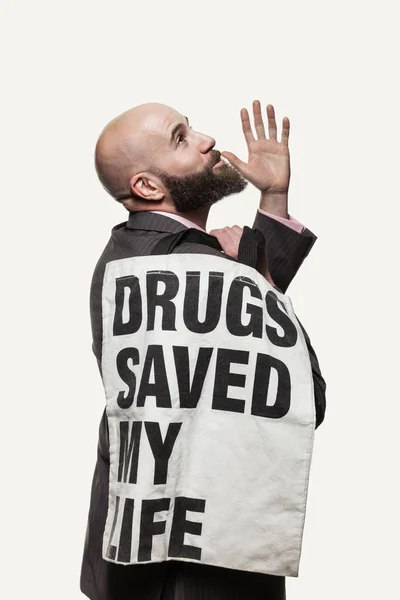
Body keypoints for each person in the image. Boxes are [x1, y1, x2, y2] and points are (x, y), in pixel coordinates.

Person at [80, 100, 326, 600]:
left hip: (136, 550)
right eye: (180, 138)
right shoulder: (196, 267)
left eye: (190, 127)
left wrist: (272, 200)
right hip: (202, 566)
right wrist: (254, 274)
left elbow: (230, 335)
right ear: (148, 186)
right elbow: (302, 396)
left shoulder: (124, 256)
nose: (206, 139)